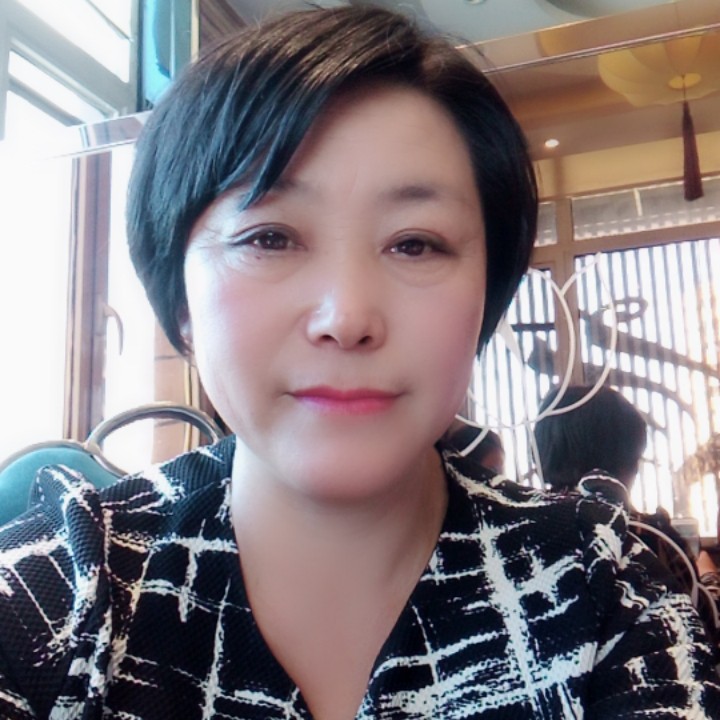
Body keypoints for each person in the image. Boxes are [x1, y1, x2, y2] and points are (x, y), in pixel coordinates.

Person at [0, 6, 718, 719]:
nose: (346, 318)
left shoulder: (601, 587)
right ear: (179, 298)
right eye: (270, 237)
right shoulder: (53, 595)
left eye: (415, 243)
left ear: (487, 293)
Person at [534, 384, 720, 642]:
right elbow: (704, 627)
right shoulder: (649, 537)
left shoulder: (523, 536)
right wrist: (709, 576)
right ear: (627, 462)